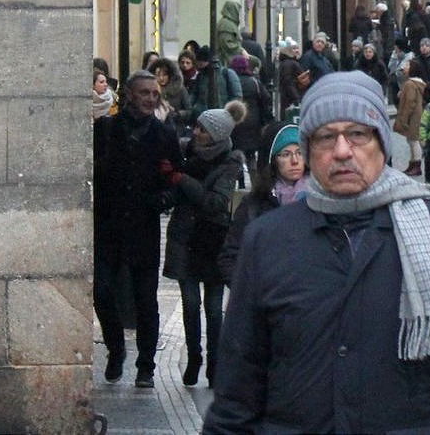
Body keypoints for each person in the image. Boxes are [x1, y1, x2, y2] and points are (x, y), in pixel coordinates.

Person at [204, 72, 430, 433]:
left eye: (357, 134)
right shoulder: (269, 239)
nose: (341, 151)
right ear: (308, 151)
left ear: (382, 142)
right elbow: (238, 387)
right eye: (325, 137)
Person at [93, 70, 182, 386]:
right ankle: (115, 349)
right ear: (129, 94)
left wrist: (162, 199)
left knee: (146, 298)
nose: (150, 99)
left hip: (143, 226)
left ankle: (146, 365)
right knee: (102, 291)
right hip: (109, 225)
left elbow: (176, 178)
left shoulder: (163, 133)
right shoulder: (105, 129)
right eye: (144, 93)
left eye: (154, 94)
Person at [166, 102, 246, 386]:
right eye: (196, 126)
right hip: (184, 237)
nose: (195, 132)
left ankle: (215, 362)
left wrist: (182, 180)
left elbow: (216, 203)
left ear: (215, 134)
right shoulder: (187, 152)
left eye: (201, 129)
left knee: (213, 307)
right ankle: (194, 358)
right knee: (189, 304)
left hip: (212, 239)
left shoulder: (230, 161)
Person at [219, 124, 309, 283]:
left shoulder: (322, 202)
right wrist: (252, 295)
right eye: (286, 154)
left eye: (299, 153)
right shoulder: (254, 204)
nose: (295, 161)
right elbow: (230, 258)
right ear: (273, 160)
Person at [394, 72, 426, 177]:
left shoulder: (410, 84)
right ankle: (413, 164)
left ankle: (416, 165)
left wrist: (404, 117)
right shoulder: (417, 83)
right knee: (412, 139)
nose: (404, 69)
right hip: (417, 113)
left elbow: (409, 101)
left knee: (413, 140)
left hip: (412, 115)